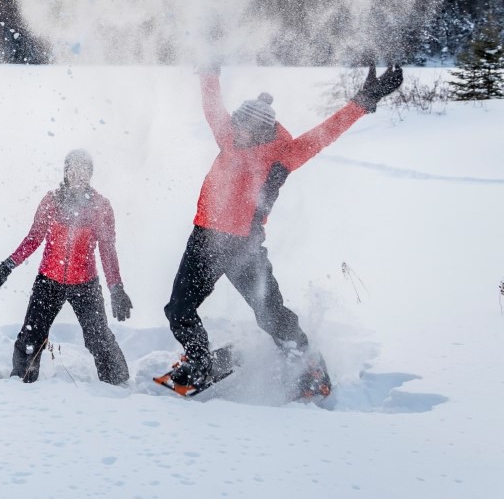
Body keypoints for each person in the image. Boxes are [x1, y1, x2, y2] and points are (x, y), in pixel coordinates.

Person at [161, 65, 403, 394]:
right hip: (204, 239)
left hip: (243, 247)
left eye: (244, 128)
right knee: (179, 309)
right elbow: (212, 105)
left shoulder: (283, 154)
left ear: (260, 129)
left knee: (269, 313)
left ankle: (309, 365)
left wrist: (363, 101)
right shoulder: (228, 135)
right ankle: (200, 361)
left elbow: (324, 134)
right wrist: (208, 68)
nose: (236, 132)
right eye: (236, 125)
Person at [0, 149, 132, 386]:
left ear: (90, 174)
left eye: (84, 170)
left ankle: (120, 384)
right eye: (73, 169)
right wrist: (9, 265)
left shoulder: (100, 206)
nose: (78, 175)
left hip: (85, 284)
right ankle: (20, 383)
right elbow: (33, 238)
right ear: (66, 172)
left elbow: (107, 250)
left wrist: (116, 288)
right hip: (48, 281)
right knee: (31, 335)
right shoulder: (51, 201)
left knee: (98, 338)